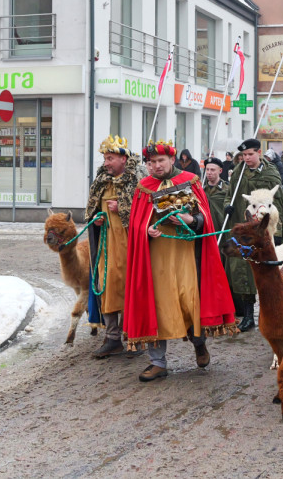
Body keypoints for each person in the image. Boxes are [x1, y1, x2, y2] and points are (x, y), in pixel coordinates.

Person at [124, 140, 237, 382]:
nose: (156, 166)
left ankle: (199, 344)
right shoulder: (144, 187)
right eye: (151, 162)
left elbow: (205, 216)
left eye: (160, 161)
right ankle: (157, 362)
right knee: (159, 305)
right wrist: (146, 229)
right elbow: (135, 223)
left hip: (188, 255)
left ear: (171, 160)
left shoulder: (191, 180)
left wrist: (189, 219)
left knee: (189, 302)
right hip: (157, 257)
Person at [221, 138, 283, 331]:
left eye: (250, 154)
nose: (247, 158)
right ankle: (248, 315)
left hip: (264, 232)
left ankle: (270, 313)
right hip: (244, 231)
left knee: (267, 272)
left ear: (259, 153)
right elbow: (230, 194)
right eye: (244, 155)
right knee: (242, 270)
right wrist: (227, 204)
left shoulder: (270, 173)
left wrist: (275, 230)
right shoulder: (238, 172)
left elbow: (279, 203)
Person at [85, 135, 141, 358]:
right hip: (106, 246)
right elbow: (90, 210)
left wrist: (124, 207)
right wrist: (95, 219)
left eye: (110, 158)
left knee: (129, 287)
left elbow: (146, 212)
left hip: (129, 245)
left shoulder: (136, 180)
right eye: (105, 158)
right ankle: (112, 337)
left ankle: (135, 337)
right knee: (105, 286)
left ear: (123, 159)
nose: (106, 163)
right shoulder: (100, 180)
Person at [202, 156, 228, 232]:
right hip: (205, 229)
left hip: (222, 230)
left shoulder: (227, 189)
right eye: (207, 169)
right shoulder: (202, 189)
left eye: (212, 170)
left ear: (220, 171)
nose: (209, 172)